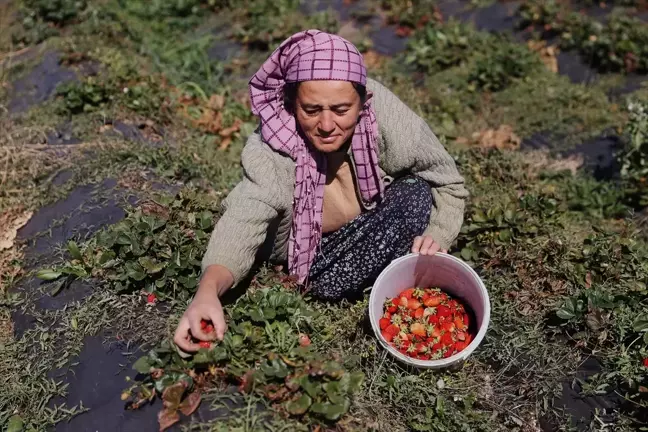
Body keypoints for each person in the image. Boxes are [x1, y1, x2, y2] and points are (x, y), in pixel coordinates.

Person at [174, 30, 468, 352]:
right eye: (311, 110)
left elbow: (447, 180)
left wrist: (439, 232)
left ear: (363, 102)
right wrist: (207, 292)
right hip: (317, 256)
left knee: (415, 196)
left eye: (341, 110)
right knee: (331, 277)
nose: (326, 125)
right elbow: (245, 217)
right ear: (292, 103)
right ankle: (350, 283)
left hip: (370, 220)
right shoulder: (273, 146)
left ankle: (393, 277)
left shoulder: (385, 115)